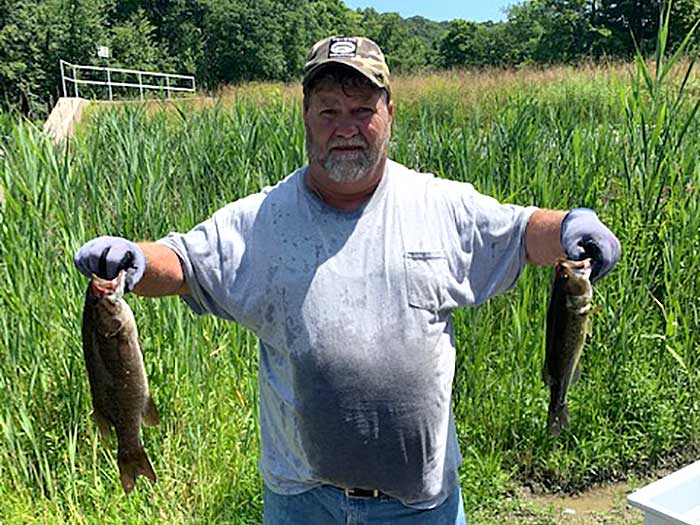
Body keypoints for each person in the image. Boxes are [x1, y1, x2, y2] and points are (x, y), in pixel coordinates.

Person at [74, 36, 621, 524]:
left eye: (362, 110)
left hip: (419, 504)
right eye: (329, 110)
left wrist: (569, 226)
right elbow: (185, 262)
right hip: (301, 499)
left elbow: (520, 232)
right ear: (306, 116)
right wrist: (133, 262)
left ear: (389, 113)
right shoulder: (259, 219)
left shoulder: (438, 205)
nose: (346, 128)